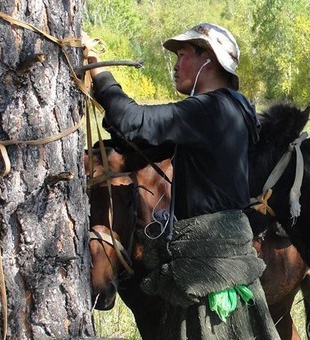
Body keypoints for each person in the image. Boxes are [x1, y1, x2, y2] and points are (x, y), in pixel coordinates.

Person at [84, 23, 279, 339]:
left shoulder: (211, 109)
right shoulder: (231, 108)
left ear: (209, 60)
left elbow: (134, 121)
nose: (175, 64)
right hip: (216, 258)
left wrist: (97, 69)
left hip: (209, 265)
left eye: (183, 54)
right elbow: (134, 139)